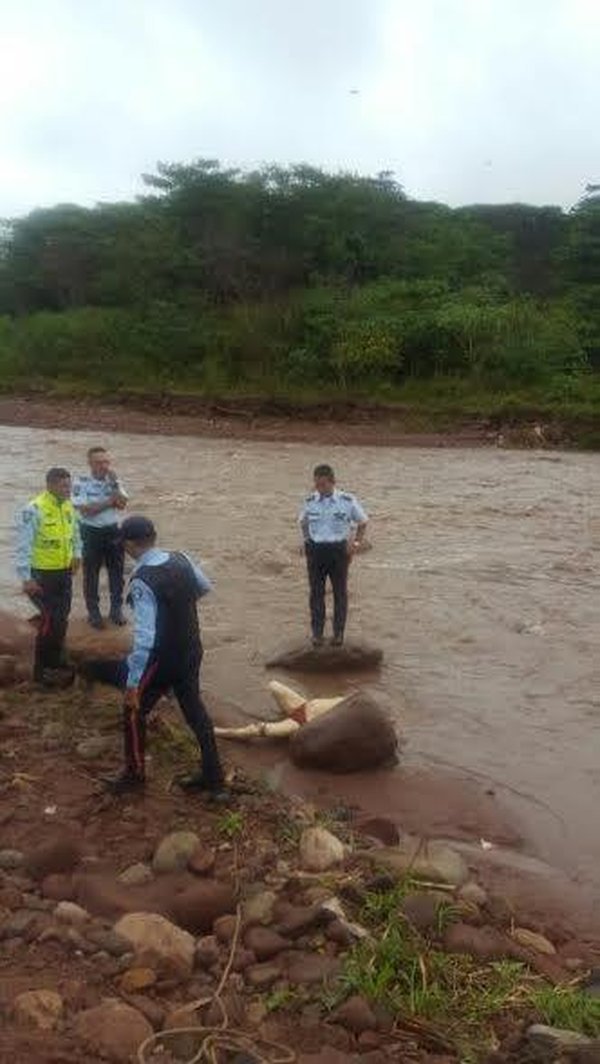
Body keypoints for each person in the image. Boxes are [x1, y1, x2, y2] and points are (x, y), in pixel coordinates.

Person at [79, 515, 228, 800]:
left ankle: (134, 776)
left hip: (160, 659)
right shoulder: (180, 558)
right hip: (191, 649)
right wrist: (177, 608)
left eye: (123, 543)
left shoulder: (142, 580)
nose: (122, 547)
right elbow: (205, 587)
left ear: (131, 544)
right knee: (196, 713)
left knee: (133, 711)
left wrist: (133, 684)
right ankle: (214, 780)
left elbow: (145, 638)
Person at [15, 467, 82, 686]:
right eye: (64, 486)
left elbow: (76, 533)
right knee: (50, 620)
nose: (68, 490)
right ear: (50, 485)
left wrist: (77, 555)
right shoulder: (33, 509)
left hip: (64, 572)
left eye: (69, 486)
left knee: (62, 618)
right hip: (41, 575)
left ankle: (56, 659)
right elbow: (23, 546)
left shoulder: (68, 506)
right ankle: (40, 669)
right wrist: (27, 578)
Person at [299, 463, 368, 647]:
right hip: (316, 551)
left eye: (323, 484)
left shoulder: (347, 501)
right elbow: (303, 522)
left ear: (332, 482)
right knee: (316, 593)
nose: (319, 489)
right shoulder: (309, 501)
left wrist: (355, 544)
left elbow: (363, 522)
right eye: (317, 485)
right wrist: (307, 542)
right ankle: (317, 634)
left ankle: (338, 634)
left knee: (340, 593)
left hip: (338, 551)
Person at [72, 446, 128, 630]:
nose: (104, 466)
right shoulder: (81, 482)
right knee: (91, 574)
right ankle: (94, 613)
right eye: (99, 462)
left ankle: (116, 610)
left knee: (117, 574)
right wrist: (111, 501)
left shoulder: (114, 480)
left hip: (113, 530)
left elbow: (122, 504)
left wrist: (113, 489)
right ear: (90, 464)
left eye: (106, 462)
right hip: (90, 531)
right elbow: (87, 511)